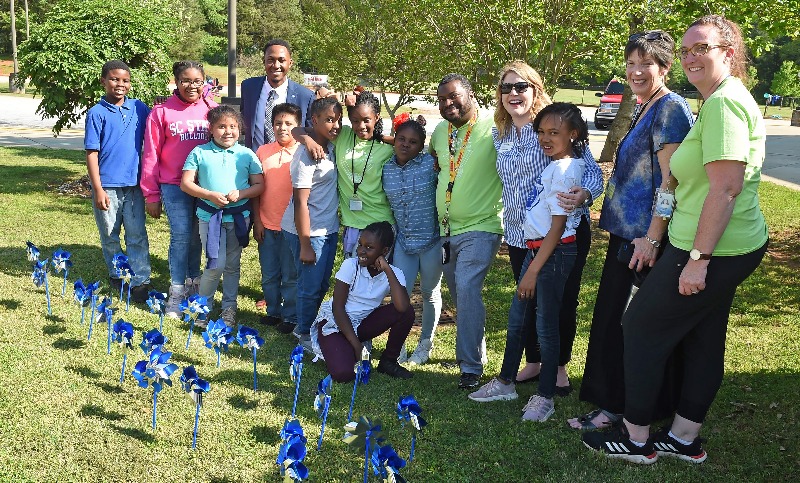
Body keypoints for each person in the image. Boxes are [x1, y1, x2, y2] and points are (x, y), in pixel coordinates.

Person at [583, 15, 769, 464]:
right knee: (704, 336)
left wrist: (698, 258)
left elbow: (726, 189)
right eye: (686, 50)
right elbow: (675, 183)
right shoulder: (717, 101)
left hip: (714, 248)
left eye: (700, 48)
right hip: (711, 244)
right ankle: (684, 438)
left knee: (641, 326)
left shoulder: (724, 104)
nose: (690, 57)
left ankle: (637, 438)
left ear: (728, 52)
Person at [568, 31, 693, 432]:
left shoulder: (670, 109)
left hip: (644, 241)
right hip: (628, 236)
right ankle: (617, 403)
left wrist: (653, 237)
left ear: (665, 67)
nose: (637, 71)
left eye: (647, 64)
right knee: (611, 322)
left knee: (623, 326)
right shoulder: (646, 105)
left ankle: (617, 408)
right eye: (631, 63)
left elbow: (671, 183)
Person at [491, 60, 604, 393]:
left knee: (560, 301)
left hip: (563, 234)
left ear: (535, 89)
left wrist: (585, 193)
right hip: (518, 232)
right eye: (506, 87)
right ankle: (535, 361)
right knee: (527, 300)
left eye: (521, 86)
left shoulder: (555, 126)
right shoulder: (501, 135)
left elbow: (592, 173)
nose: (513, 93)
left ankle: (559, 367)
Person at [469, 103, 587, 421]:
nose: (545, 138)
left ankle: (545, 396)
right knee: (518, 319)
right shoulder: (554, 166)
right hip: (537, 251)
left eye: (555, 133)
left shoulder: (565, 171)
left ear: (572, 135)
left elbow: (559, 226)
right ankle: (505, 381)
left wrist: (533, 270)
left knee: (545, 328)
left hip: (553, 254)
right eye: (541, 132)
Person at [429, 74, 504, 389]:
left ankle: (470, 367)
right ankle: (477, 351)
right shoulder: (439, 132)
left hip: (482, 226)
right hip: (446, 230)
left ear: (471, 94)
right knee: (460, 293)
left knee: (468, 287)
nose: (448, 104)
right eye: (442, 99)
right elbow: (436, 160)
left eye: (454, 96)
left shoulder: (495, 127)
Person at [141, 60, 217, 317]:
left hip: (204, 186)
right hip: (173, 186)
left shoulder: (212, 110)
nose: (191, 86)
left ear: (204, 82)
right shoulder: (161, 113)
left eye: (197, 81)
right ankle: (176, 292)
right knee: (181, 236)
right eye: (185, 80)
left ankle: (193, 288)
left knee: (198, 237)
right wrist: (151, 194)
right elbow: (151, 155)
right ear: (176, 81)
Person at [180, 105, 264, 326]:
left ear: (240, 129)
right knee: (214, 264)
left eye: (233, 126)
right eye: (221, 127)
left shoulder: (247, 154)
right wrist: (209, 195)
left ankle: (229, 308)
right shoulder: (200, 152)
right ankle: (202, 307)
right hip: (210, 218)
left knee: (232, 265)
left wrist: (242, 193)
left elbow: (259, 185)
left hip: (238, 217)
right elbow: (186, 183)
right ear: (211, 129)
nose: (228, 131)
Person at [84, 60, 153, 302]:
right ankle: (118, 273)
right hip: (107, 187)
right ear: (103, 81)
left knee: (136, 233)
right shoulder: (96, 113)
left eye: (125, 80)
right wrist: (98, 188)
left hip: (134, 186)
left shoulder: (139, 108)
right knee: (110, 233)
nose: (120, 84)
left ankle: (140, 280)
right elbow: (91, 152)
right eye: (114, 79)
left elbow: (156, 130)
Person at [312, 221, 415, 381]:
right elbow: (337, 309)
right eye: (360, 244)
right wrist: (357, 346)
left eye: (369, 247)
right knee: (344, 374)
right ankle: (337, 346)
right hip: (336, 323)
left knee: (407, 311)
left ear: (384, 251)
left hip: (362, 323)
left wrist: (387, 269)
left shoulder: (395, 273)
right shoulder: (350, 266)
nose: (361, 251)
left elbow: (402, 307)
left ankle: (388, 361)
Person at [280, 97, 342, 350]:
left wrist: (305, 135)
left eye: (338, 119)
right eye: (329, 120)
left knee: (321, 283)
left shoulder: (332, 145)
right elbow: (300, 203)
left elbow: (299, 131)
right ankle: (304, 333)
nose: (335, 125)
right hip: (307, 231)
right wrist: (305, 244)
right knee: (309, 286)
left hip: (328, 228)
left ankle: (305, 324)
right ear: (315, 120)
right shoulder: (306, 155)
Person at [382, 119, 443, 365]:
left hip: (431, 242)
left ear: (422, 147)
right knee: (401, 296)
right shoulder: (386, 168)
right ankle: (400, 343)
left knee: (429, 293)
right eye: (402, 139)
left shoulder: (431, 164)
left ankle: (426, 342)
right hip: (403, 243)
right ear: (394, 139)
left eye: (413, 142)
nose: (406, 145)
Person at [253, 103, 302, 328]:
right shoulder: (263, 151)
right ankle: (273, 311)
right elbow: (256, 189)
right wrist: (257, 221)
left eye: (289, 124)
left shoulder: (303, 152)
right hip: (267, 224)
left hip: (291, 228)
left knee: (290, 275)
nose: (283, 128)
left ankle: (290, 315)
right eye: (278, 123)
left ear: (299, 126)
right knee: (269, 272)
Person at [240, 39, 314, 153]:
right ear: (263, 61)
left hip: (289, 164)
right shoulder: (249, 87)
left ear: (290, 63)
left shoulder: (305, 97)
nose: (276, 65)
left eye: (281, 60)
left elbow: (311, 133)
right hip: (255, 162)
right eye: (270, 60)